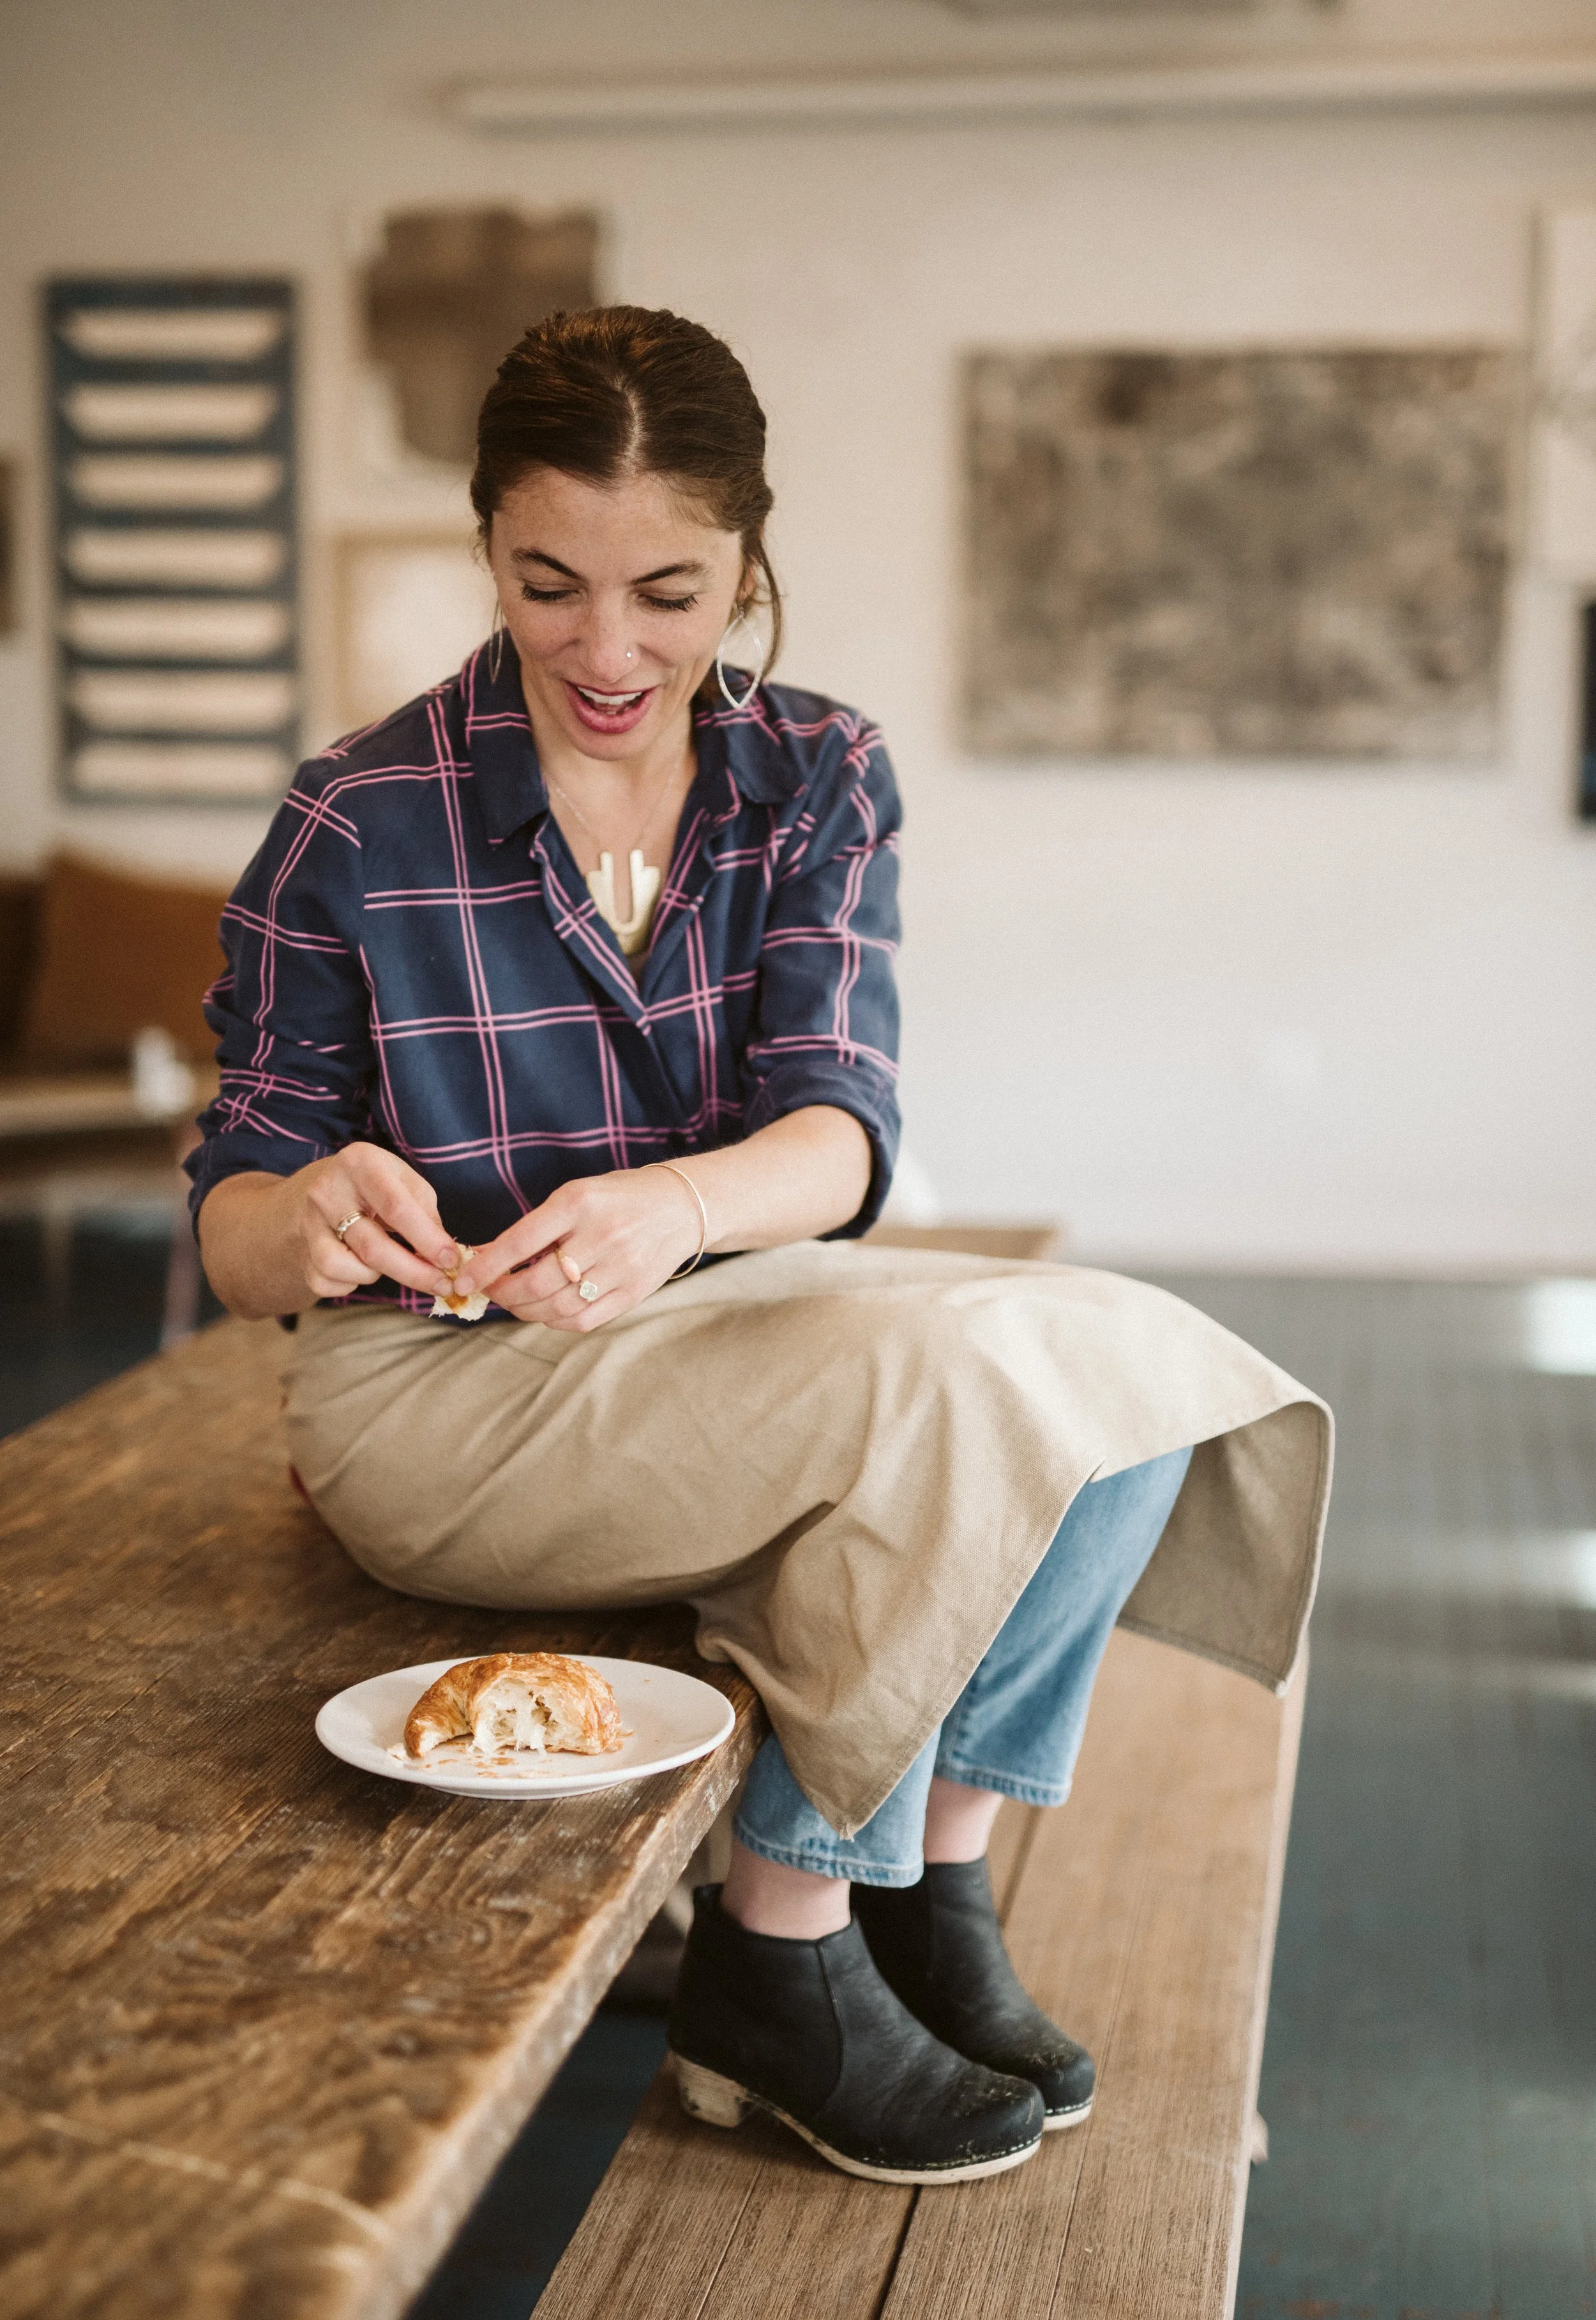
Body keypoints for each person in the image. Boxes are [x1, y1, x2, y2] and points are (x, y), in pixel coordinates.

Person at [192, 305, 1330, 2188]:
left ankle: (927, 1892)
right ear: (486, 542)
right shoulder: (357, 818)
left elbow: (837, 1135)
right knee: (955, 1392)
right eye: (548, 585)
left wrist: (669, 1209)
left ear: (749, 558)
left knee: (1131, 1362)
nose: (608, 650)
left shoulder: (817, 770)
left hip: (728, 1310)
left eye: (670, 590)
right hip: (438, 1398)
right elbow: (237, 1206)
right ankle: (774, 1958)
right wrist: (294, 1215)